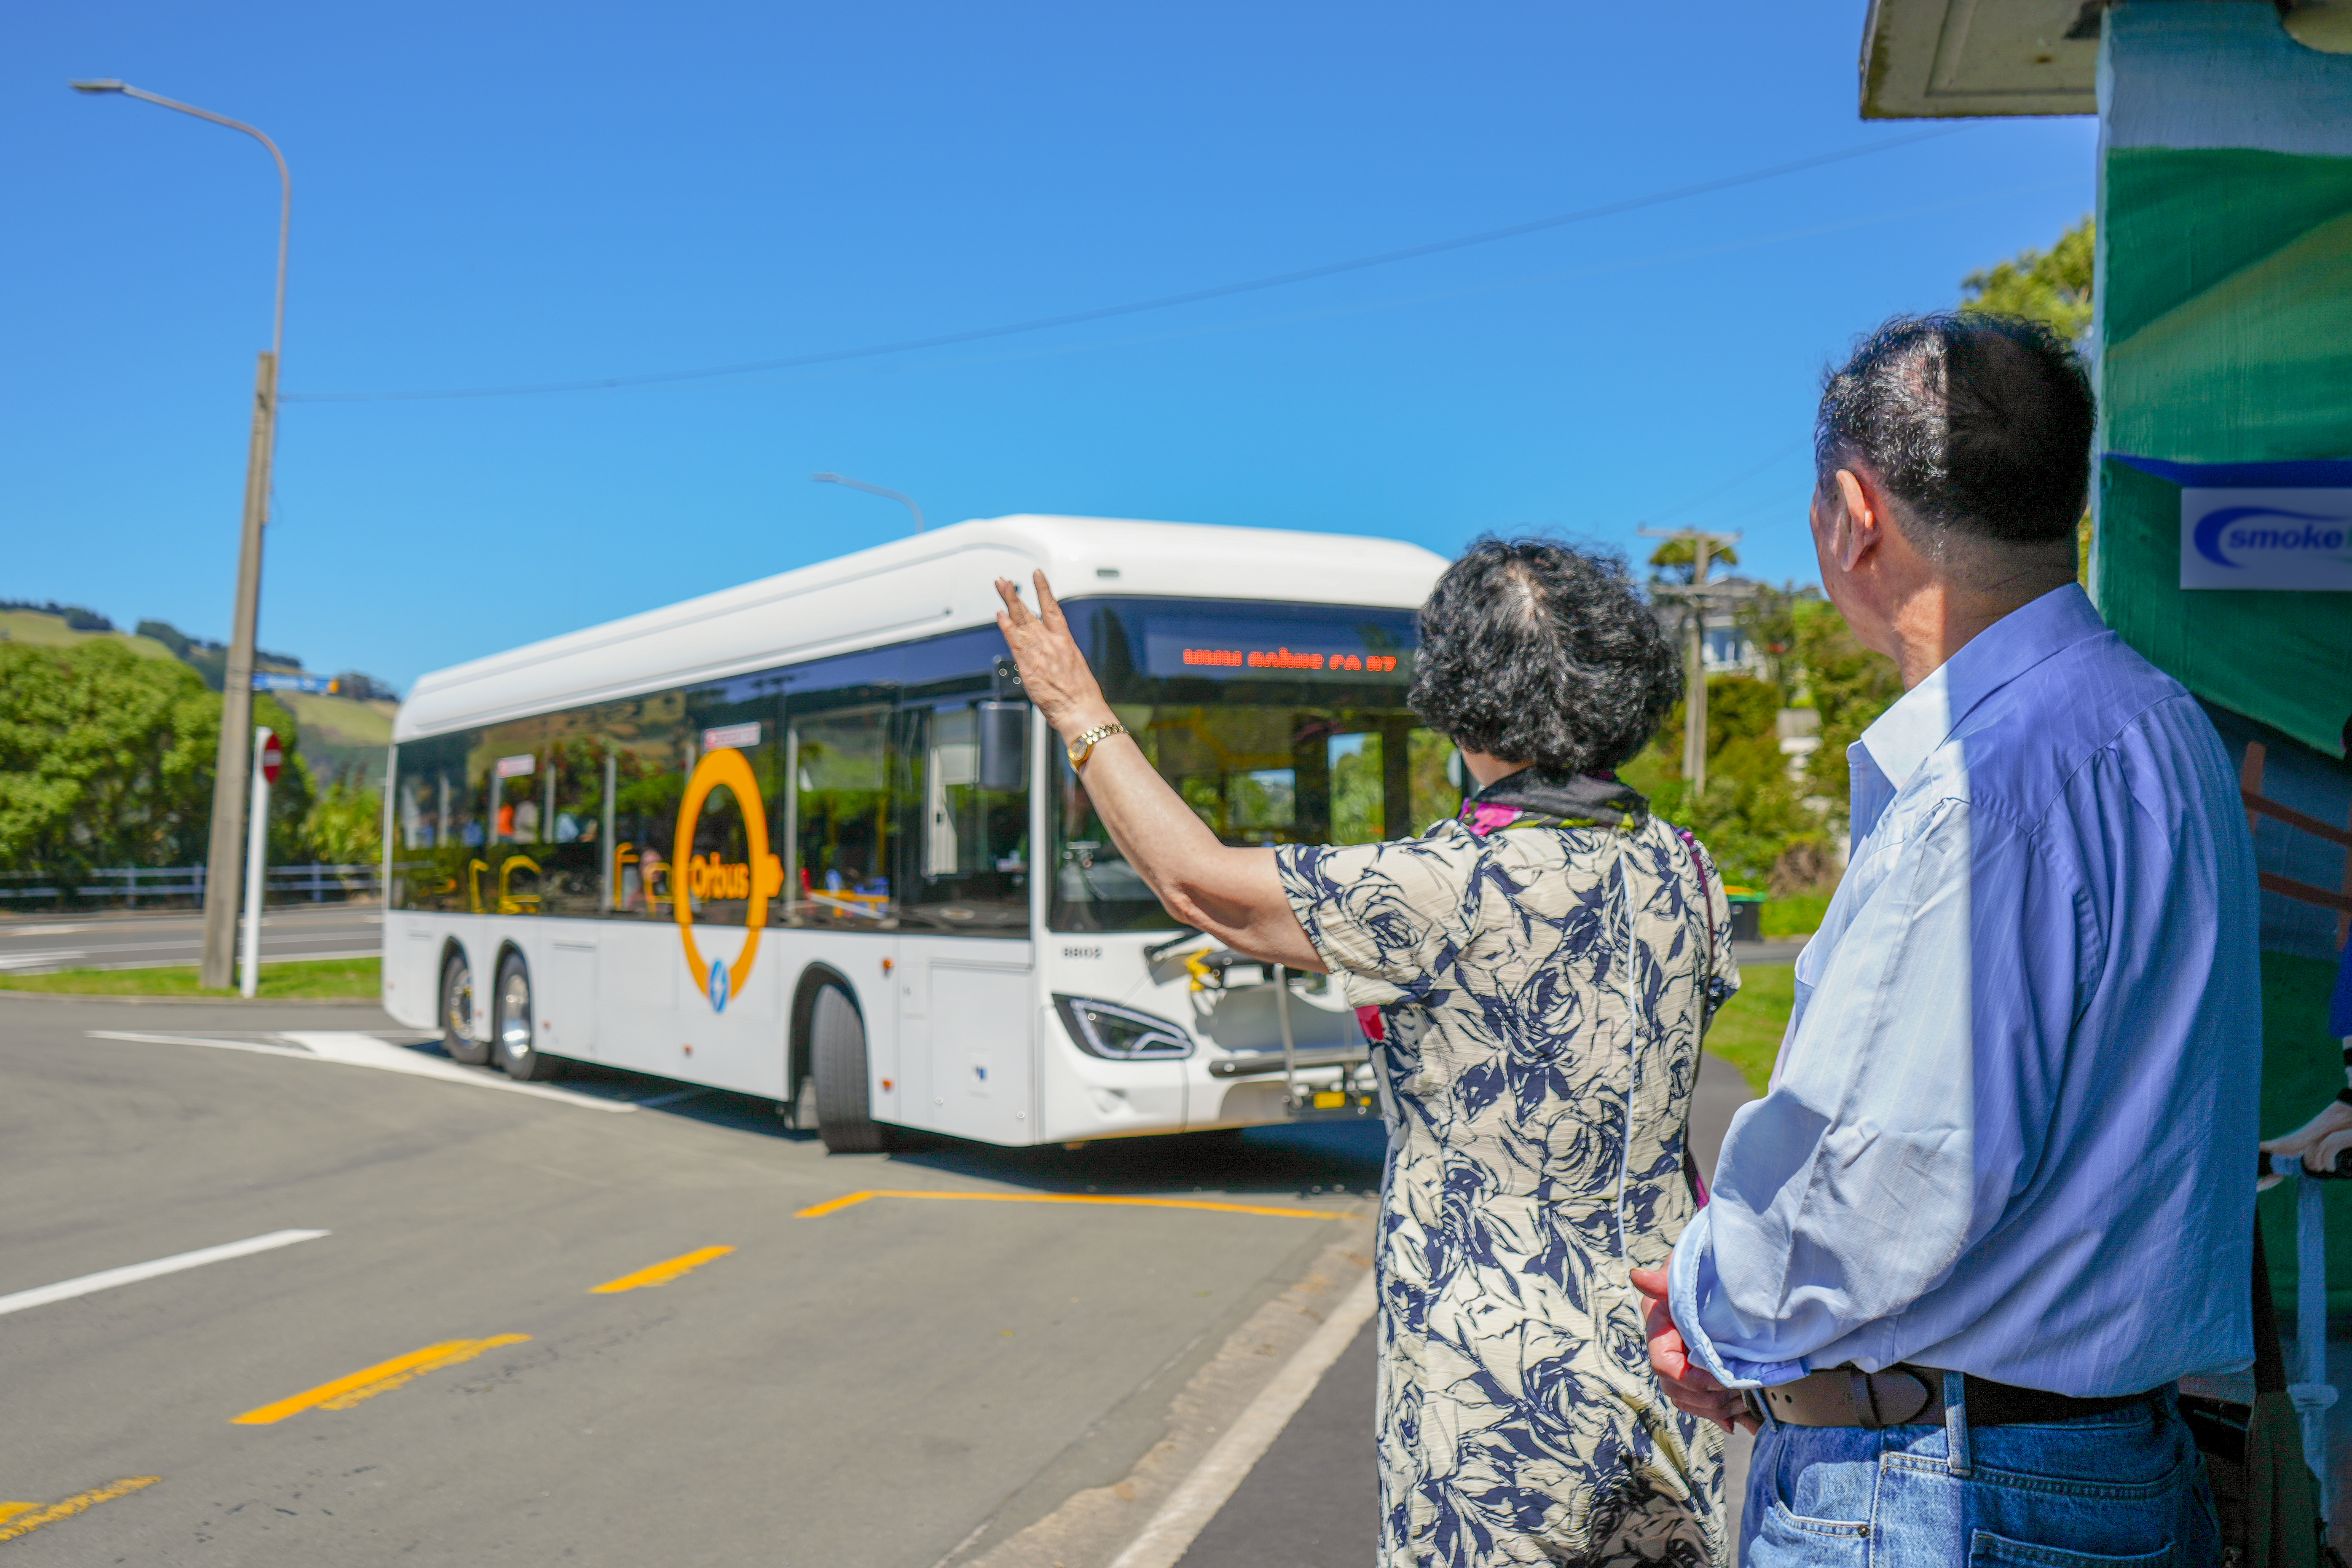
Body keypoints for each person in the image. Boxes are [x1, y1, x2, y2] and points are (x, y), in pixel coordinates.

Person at [1632, 313, 2260, 1564]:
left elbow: (1872, 1187)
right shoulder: (2162, 728)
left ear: (1850, 514)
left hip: (1946, 1489)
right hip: (2108, 1461)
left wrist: (1710, 1302)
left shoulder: (1982, 789)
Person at [996, 538, 1740, 1565]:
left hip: (1493, 1390)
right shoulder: (1686, 870)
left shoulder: (1449, 881)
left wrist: (1078, 711)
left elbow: (1199, 884)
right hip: (1667, 1358)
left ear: (1460, 697)